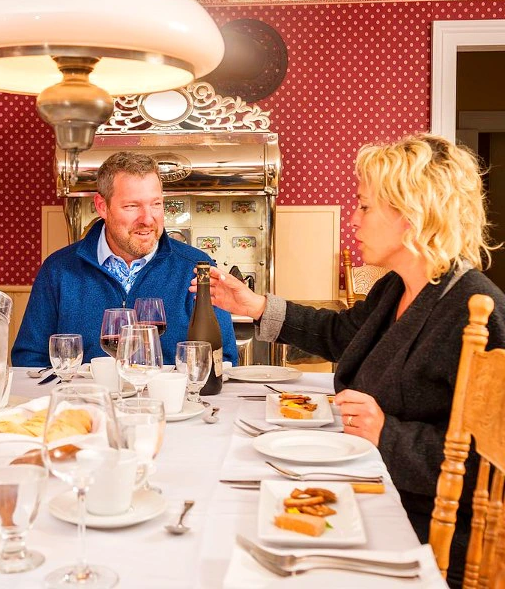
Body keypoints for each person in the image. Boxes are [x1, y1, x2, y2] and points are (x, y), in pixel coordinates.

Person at [195, 133, 505, 588]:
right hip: (374, 484)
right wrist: (257, 306)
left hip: (421, 531)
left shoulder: (476, 310)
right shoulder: (396, 288)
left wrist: (389, 434)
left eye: (364, 207)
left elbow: (489, 463)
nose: (354, 219)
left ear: (411, 216)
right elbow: (341, 335)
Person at [11, 151, 237, 368]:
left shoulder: (196, 268)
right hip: (88, 404)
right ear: (102, 206)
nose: (148, 219)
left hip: (171, 405)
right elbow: (29, 358)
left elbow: (222, 360)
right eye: (132, 206)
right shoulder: (58, 270)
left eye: (156, 204)